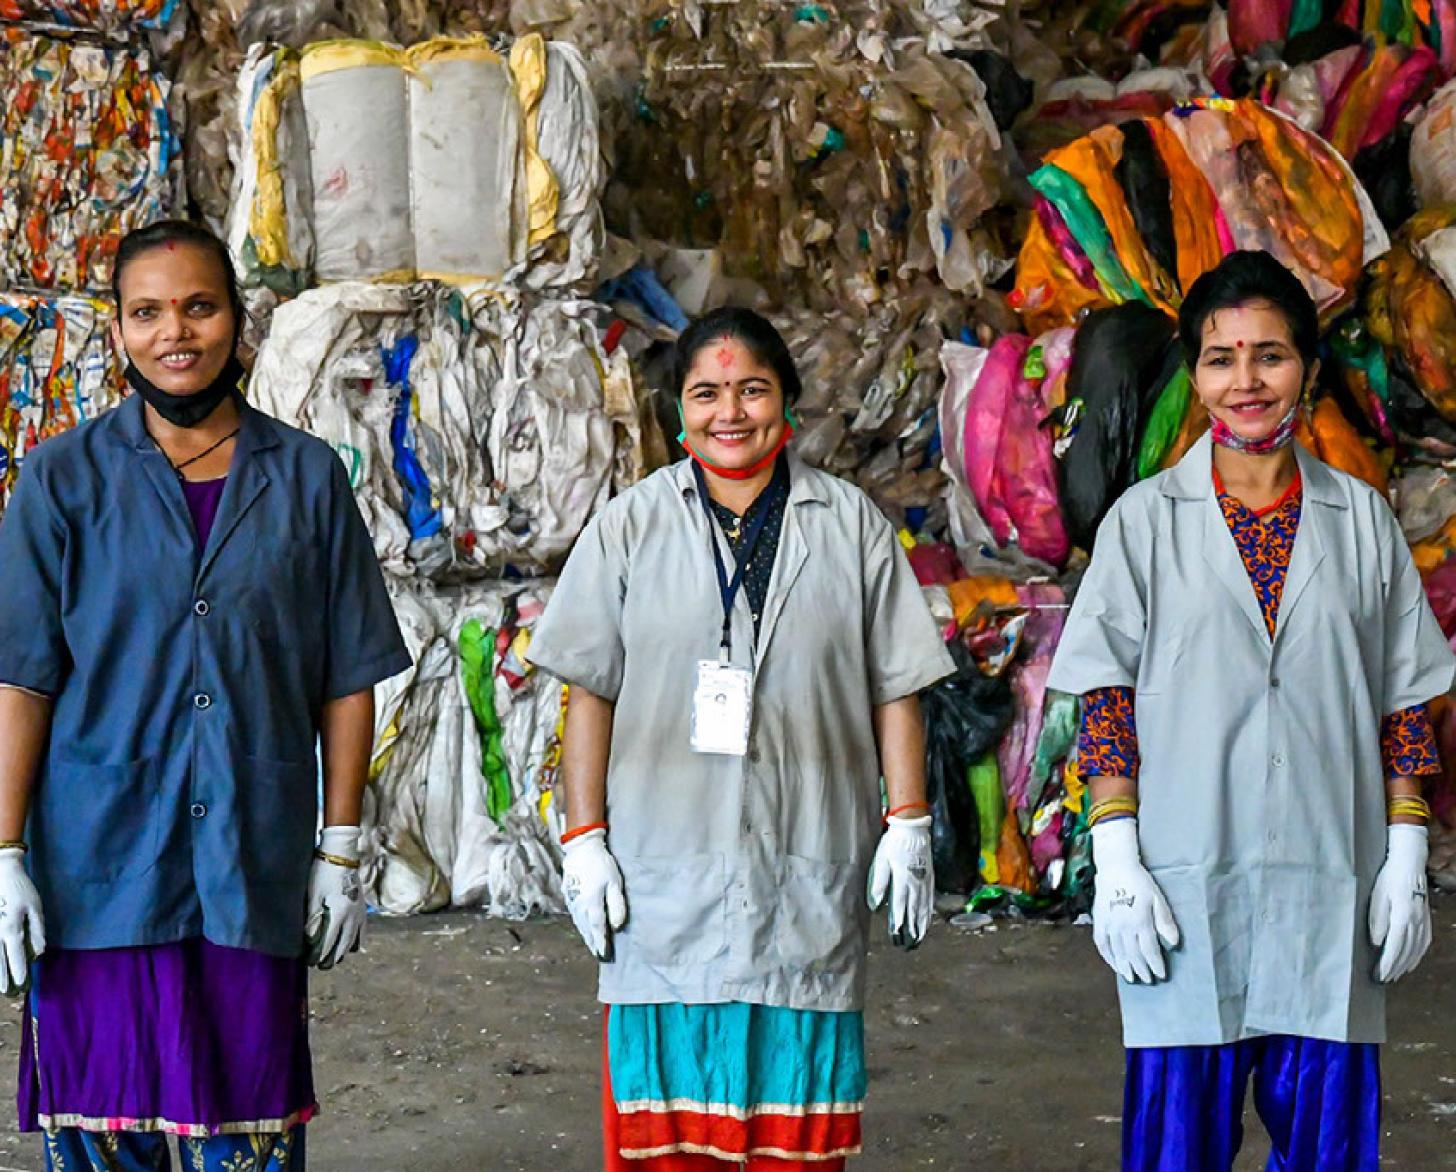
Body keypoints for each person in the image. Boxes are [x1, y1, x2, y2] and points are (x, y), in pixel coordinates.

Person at [0, 220, 411, 1170]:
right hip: (96, 866)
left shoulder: (307, 477)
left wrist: (341, 848)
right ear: (116, 330)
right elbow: (21, 676)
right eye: (146, 312)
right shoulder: (62, 480)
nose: (174, 332)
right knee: (107, 1128)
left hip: (247, 862)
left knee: (247, 1123)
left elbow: (347, 676)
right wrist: (7, 850)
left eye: (198, 306)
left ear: (236, 318)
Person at [1048, 250, 1456, 1172]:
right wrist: (1116, 856)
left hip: (1330, 883)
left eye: (1269, 355)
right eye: (1222, 357)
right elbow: (1106, 700)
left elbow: (1404, 704)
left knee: (1329, 1151)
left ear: (1307, 371)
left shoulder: (1363, 522)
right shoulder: (1145, 522)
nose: (1246, 381)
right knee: (1175, 1151)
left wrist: (1402, 851)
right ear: (1194, 374)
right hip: (1185, 887)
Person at [528, 307, 954, 1169]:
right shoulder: (629, 525)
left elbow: (897, 686)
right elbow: (588, 693)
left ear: (787, 400)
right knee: (667, 1141)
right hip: (662, 875)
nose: (730, 412)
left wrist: (907, 823)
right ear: (677, 411)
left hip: (806, 861)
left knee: (796, 1138)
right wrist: (583, 841)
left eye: (752, 389)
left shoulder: (853, 524)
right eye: (706, 393)